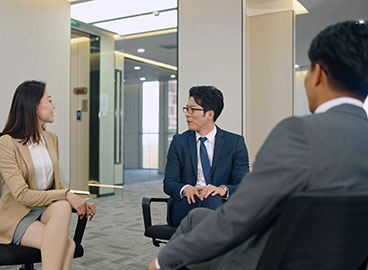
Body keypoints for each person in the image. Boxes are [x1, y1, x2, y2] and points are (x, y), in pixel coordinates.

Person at [149, 20, 368, 270]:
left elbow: (241, 216)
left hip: (272, 259)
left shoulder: (298, 132)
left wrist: (161, 261)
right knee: (198, 217)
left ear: (317, 73)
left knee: (196, 237)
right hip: (338, 259)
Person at [0, 80, 95, 270]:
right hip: (16, 216)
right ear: (34, 106)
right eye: (49, 100)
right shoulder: (6, 143)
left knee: (63, 206)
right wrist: (66, 195)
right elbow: (21, 195)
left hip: (44, 210)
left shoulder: (51, 139)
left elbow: (56, 185)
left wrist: (75, 198)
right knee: (68, 245)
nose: (54, 105)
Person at [163, 86, 249, 227]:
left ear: (210, 114)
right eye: (187, 109)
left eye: (193, 109)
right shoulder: (179, 142)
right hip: (186, 205)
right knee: (210, 208)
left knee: (212, 198)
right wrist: (186, 188)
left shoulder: (235, 143)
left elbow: (243, 184)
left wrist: (221, 190)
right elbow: (169, 183)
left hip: (219, 203)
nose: (187, 114)